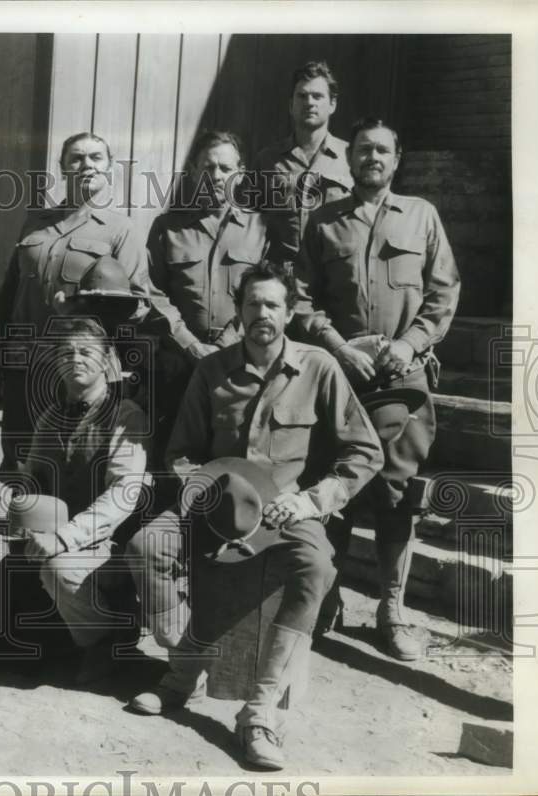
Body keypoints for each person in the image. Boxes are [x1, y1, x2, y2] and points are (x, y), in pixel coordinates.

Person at [125, 260, 383, 769]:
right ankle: (185, 671)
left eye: (272, 304)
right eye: (252, 304)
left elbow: (364, 452)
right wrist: (211, 492)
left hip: (288, 511)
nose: (261, 312)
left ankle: (260, 710)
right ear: (239, 312)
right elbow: (178, 453)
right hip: (216, 503)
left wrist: (313, 500)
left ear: (288, 313)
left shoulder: (318, 368)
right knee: (146, 547)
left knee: (317, 568)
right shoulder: (211, 370)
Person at [295, 117, 461, 660]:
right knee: (333, 485)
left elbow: (443, 292)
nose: (371, 157)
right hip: (340, 378)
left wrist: (410, 344)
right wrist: (338, 347)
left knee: (395, 494)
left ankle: (392, 610)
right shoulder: (323, 222)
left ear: (396, 159)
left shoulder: (422, 217)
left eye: (382, 150)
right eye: (363, 149)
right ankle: (326, 597)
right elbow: (301, 299)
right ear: (349, 159)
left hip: (402, 379)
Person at [0, 132, 205, 477]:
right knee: (23, 471)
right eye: (76, 158)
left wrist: (85, 310)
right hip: (26, 368)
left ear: (109, 169)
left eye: (95, 158)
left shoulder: (120, 230)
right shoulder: (35, 224)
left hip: (82, 371)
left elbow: (141, 303)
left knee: (75, 467)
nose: (86, 165)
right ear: (62, 168)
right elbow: (9, 299)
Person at [20, 317, 149, 684]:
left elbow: (122, 497)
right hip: (54, 537)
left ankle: (108, 639)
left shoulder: (125, 416)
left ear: (107, 360)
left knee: (58, 570)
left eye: (86, 352)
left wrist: (62, 539)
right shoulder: (49, 417)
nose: (75, 359)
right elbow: (31, 480)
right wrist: (20, 505)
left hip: (108, 545)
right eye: (66, 352)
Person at [147, 130, 272, 463]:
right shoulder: (168, 228)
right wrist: (189, 344)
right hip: (179, 365)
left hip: (241, 364)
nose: (216, 176)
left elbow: (267, 295)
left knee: (232, 455)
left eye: (225, 168)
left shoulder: (261, 229)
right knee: (173, 457)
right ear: (193, 171)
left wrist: (225, 346)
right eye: (208, 167)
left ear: (240, 174)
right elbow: (151, 292)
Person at [252, 60, 352, 258]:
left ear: (332, 104)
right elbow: (248, 225)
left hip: (334, 274)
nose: (309, 102)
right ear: (291, 105)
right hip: (282, 276)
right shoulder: (267, 160)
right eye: (302, 96)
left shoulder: (350, 157)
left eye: (317, 96)